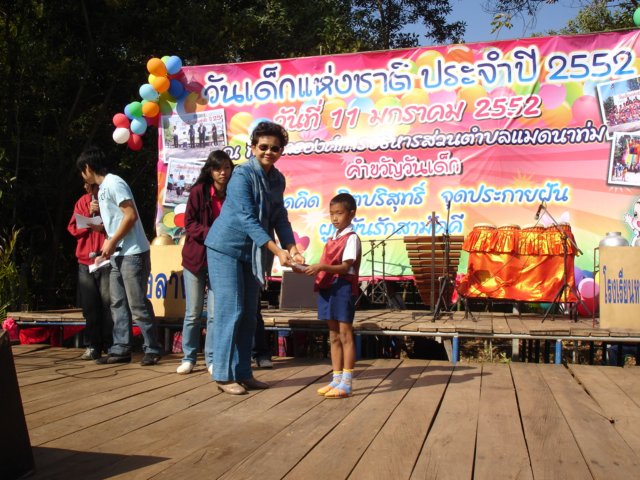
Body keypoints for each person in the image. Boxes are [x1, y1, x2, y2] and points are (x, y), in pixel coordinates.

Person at [204, 121, 304, 395]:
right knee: (231, 310)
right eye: (263, 147)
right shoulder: (241, 175)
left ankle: (243, 373)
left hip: (252, 252)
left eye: (275, 148)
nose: (269, 152)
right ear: (253, 147)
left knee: (249, 314)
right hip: (225, 248)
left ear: (281, 151)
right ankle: (223, 375)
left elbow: (279, 216)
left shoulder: (277, 179)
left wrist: (292, 247)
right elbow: (247, 219)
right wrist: (277, 251)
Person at [76, 146, 163, 366]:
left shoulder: (114, 183)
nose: (82, 176)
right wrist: (101, 232)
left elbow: (130, 216)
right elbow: (115, 222)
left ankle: (152, 348)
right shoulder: (102, 189)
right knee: (117, 303)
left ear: (88, 167)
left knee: (137, 304)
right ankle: (121, 348)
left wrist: (112, 240)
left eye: (82, 170)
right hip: (117, 255)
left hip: (133, 253)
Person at [177, 150, 234, 374]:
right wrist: (213, 234)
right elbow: (189, 223)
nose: (223, 173)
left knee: (214, 314)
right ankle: (188, 357)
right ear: (210, 171)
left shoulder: (234, 192)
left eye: (227, 168)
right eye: (218, 168)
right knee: (193, 312)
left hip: (222, 260)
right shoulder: (198, 191)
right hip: (195, 258)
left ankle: (211, 359)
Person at [305, 193, 361, 398]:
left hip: (342, 286)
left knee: (345, 334)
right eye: (332, 214)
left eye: (339, 213)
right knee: (333, 334)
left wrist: (321, 267)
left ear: (351, 214)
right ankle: (336, 378)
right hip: (328, 286)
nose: (335, 218)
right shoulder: (333, 237)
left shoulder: (351, 237)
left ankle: (347, 382)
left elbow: (345, 267)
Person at [67, 182, 113, 360]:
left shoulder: (109, 200)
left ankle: (110, 345)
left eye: (90, 185)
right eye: (85, 185)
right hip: (85, 261)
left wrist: (102, 219)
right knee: (90, 306)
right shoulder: (82, 202)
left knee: (108, 304)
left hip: (105, 259)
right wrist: (88, 215)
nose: (86, 188)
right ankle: (93, 345)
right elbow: (72, 228)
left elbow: (120, 225)